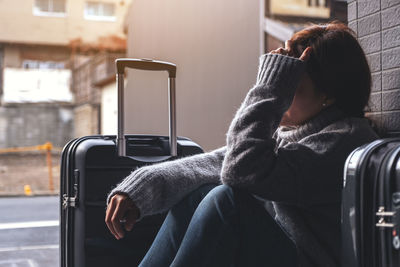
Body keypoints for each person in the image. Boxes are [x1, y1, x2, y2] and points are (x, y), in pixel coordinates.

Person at [105, 22, 378, 266]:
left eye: (291, 83)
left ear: (328, 93)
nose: (282, 91)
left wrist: (270, 89)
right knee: (201, 193)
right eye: (281, 82)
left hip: (308, 259)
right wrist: (141, 187)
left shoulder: (344, 141)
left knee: (227, 200)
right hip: (280, 249)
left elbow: (241, 170)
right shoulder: (298, 133)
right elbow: (219, 163)